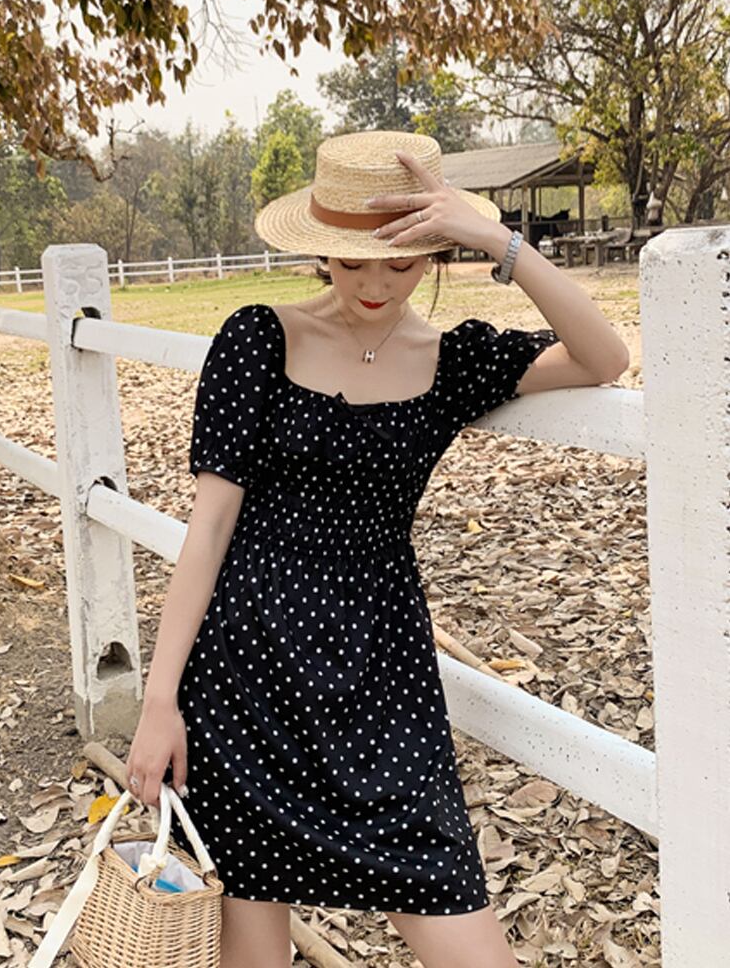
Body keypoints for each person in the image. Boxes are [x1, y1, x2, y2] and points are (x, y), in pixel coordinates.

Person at [126, 130, 629, 968]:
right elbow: (208, 530)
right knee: (253, 948)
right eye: (351, 262)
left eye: (399, 262)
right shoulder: (257, 339)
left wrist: (496, 240)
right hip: (247, 678)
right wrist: (158, 702)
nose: (373, 285)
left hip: (380, 678)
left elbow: (604, 357)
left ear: (432, 254)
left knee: (465, 934)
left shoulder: (453, 360)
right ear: (321, 252)